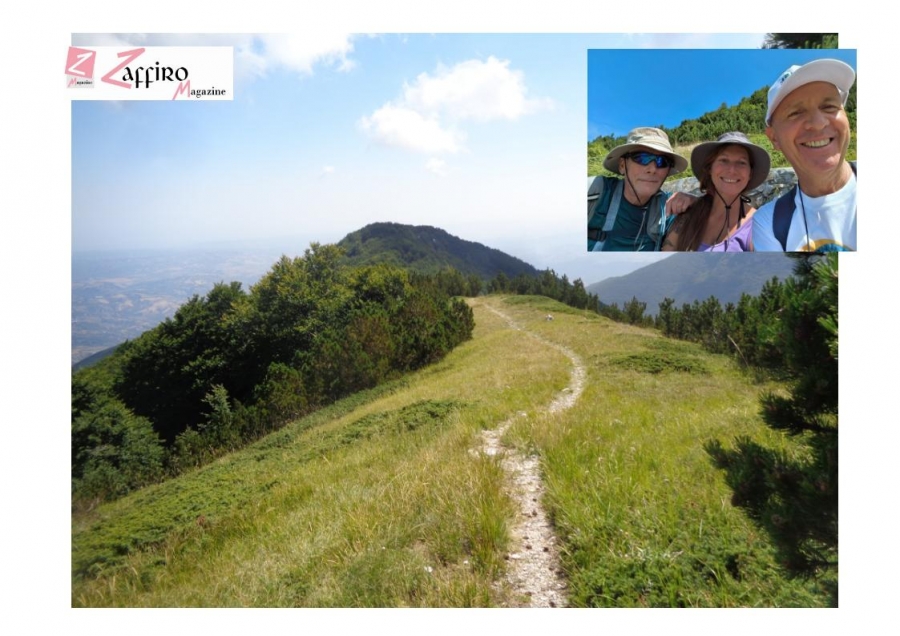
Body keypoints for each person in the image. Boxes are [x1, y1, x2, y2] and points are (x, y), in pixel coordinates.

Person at [752, 58, 856, 252]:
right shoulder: (769, 224)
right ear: (774, 138)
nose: (818, 123)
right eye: (795, 113)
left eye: (829, 107)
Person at [662, 131, 771, 252]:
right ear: (710, 169)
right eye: (724, 160)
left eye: (741, 162)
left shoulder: (759, 226)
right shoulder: (688, 214)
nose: (732, 170)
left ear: (750, 173)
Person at [587, 127, 689, 251]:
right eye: (642, 158)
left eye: (662, 161)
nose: (652, 169)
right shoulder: (594, 193)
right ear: (622, 165)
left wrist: (695, 202)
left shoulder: (669, 209)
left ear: (668, 170)